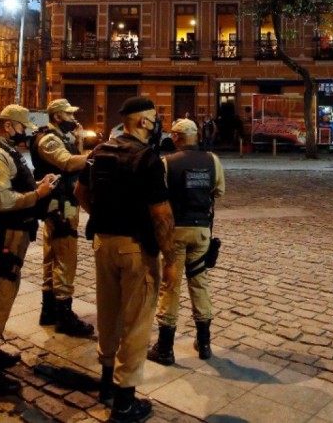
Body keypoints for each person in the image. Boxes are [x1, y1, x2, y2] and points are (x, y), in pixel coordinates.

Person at [77, 96, 177, 421]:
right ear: (142, 121)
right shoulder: (147, 158)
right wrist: (170, 259)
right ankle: (124, 402)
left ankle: (106, 382)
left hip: (103, 243)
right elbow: (161, 215)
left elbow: (80, 193)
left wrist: (102, 214)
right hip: (136, 248)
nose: (157, 123)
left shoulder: (99, 152)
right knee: (136, 323)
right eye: (154, 118)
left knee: (108, 313)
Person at [0, 105, 57, 396]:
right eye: (21, 128)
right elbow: (3, 201)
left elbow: (13, 185)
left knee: (3, 295)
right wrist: (37, 194)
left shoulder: (6, 151)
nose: (24, 134)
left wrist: (39, 185)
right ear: (8, 126)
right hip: (4, 237)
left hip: (14, 235)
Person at [147, 119, 225, 367]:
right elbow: (219, 191)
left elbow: (159, 195)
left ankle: (165, 348)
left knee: (171, 285)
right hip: (201, 230)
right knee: (199, 282)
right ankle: (204, 343)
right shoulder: (212, 160)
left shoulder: (167, 163)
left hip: (175, 231)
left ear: (176, 137)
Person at [31, 99, 95, 338]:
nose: (73, 119)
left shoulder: (60, 136)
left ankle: (49, 310)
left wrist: (78, 141)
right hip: (61, 205)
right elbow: (67, 163)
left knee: (53, 255)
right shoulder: (49, 140)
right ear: (57, 116)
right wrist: (95, 155)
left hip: (62, 202)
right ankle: (64, 315)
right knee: (65, 255)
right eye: (68, 115)